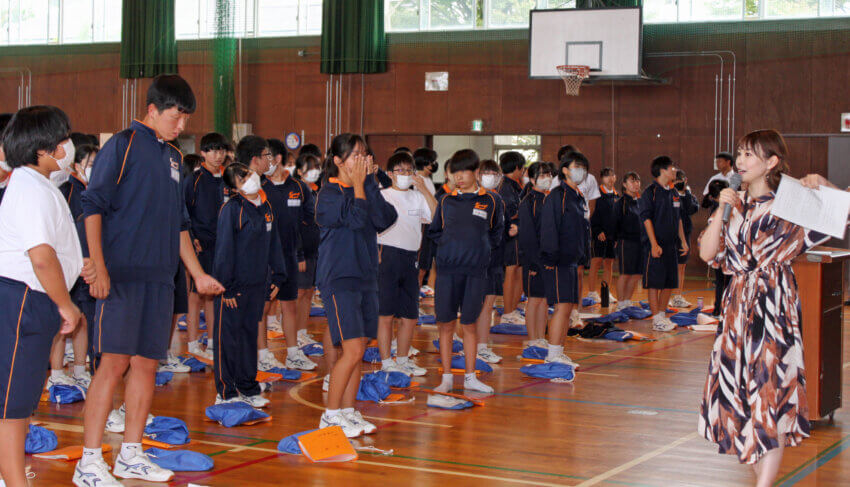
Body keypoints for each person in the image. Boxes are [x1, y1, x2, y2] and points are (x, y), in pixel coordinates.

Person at [75, 75, 223, 486]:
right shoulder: (120, 146)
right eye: (176, 117)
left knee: (145, 366)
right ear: (153, 110)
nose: (181, 126)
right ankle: (88, 461)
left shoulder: (174, 158)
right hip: (121, 277)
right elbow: (93, 205)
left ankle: (131, 454)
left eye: (186, 119)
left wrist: (197, 274)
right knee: (113, 364)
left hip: (161, 280)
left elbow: (179, 225)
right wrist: (98, 266)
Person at [698, 130, 834, 487]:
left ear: (771, 162)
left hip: (773, 305)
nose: (741, 161)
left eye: (749, 155)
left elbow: (839, 217)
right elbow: (707, 254)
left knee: (770, 391)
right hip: (737, 306)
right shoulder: (734, 203)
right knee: (740, 395)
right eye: (740, 154)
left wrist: (823, 184)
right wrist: (720, 212)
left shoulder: (790, 203)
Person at [0, 106, 84, 487]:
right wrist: (65, 303)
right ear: (44, 148)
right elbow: (41, 256)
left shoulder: (39, 186)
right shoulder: (28, 187)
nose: (68, 145)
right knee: (12, 404)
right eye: (63, 138)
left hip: (33, 300)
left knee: (20, 398)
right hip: (22, 300)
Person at [315, 134, 397, 438]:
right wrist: (362, 186)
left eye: (365, 155)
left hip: (365, 277)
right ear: (338, 161)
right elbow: (356, 219)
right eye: (354, 156)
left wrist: (370, 185)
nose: (361, 161)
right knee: (350, 350)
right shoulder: (328, 194)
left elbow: (386, 218)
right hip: (339, 279)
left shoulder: (367, 187)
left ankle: (348, 412)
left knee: (360, 349)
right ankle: (330, 415)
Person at [212, 162, 287, 408]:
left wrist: (278, 276)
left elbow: (274, 243)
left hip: (257, 285)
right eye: (241, 178)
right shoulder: (231, 210)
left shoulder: (265, 207)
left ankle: (248, 386)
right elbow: (224, 251)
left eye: (248, 174)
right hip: (233, 288)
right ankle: (226, 391)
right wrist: (226, 287)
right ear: (234, 187)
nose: (249, 179)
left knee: (248, 336)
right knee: (228, 339)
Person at [429, 149, 502, 394]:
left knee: (469, 325)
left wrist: (479, 251)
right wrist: (450, 248)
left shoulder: (491, 201)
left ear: (476, 173)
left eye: (464, 172)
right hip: (448, 273)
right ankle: (447, 377)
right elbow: (435, 231)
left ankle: (470, 377)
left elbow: (496, 233)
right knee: (446, 325)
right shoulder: (446, 201)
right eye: (454, 172)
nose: (458, 177)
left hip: (475, 273)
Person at [376, 151, 436, 377]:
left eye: (409, 170)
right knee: (386, 314)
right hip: (387, 256)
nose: (405, 174)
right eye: (400, 170)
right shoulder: (382, 195)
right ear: (390, 173)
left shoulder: (418, 196)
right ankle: (386, 361)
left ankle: (402, 359)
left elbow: (435, 215)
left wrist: (424, 190)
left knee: (410, 316)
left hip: (411, 258)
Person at [260, 138, 317, 371]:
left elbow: (309, 220)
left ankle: (293, 353)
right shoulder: (259, 187)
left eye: (267, 157)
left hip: (290, 255)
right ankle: (262, 354)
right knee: (263, 308)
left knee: (289, 305)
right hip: (265, 257)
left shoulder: (298, 187)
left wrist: (302, 253)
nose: (265, 162)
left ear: (278, 158)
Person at [539, 152, 588, 369]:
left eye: (583, 167)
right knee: (561, 306)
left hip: (572, 259)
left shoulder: (577, 196)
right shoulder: (557, 196)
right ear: (565, 169)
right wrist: (551, 257)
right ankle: (552, 354)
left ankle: (559, 351)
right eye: (577, 166)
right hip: (557, 261)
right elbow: (549, 228)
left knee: (568, 307)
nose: (581, 171)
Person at [184, 132, 229, 363]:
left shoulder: (226, 181)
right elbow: (184, 214)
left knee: (213, 294)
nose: (217, 155)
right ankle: (192, 343)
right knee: (195, 296)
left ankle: (212, 342)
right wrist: (192, 238)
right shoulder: (193, 181)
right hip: (199, 246)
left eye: (221, 150)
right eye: (212, 150)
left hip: (221, 247)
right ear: (203, 153)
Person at [638, 156, 688, 332]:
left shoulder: (673, 192)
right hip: (655, 245)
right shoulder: (650, 192)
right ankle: (656, 319)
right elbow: (646, 218)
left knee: (669, 282)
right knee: (654, 282)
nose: (674, 170)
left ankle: (661, 315)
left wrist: (683, 240)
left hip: (671, 246)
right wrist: (653, 243)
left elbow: (679, 218)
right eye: (672, 167)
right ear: (663, 170)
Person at [558, 145, 599, 326]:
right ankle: (564, 310)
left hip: (582, 234)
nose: (579, 171)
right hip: (564, 241)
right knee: (566, 277)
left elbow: (590, 205)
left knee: (579, 273)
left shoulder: (587, 182)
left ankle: (576, 309)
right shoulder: (556, 187)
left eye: (581, 166)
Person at [518, 161, 557, 348]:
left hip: (548, 259)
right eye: (542, 175)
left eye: (549, 175)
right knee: (534, 300)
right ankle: (532, 339)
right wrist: (534, 262)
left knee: (543, 300)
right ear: (532, 179)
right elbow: (527, 235)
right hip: (533, 260)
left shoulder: (549, 199)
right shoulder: (529, 202)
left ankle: (541, 338)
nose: (546, 179)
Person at [475, 159, 508, 364]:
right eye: (486, 172)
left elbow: (501, 229)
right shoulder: (471, 198)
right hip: (476, 260)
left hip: (495, 259)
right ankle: (474, 346)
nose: (490, 176)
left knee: (489, 304)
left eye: (494, 173)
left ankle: (482, 346)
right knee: (477, 305)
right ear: (478, 175)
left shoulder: (498, 200)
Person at [497, 151, 524, 327]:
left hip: (520, 235)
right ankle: (507, 312)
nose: (523, 171)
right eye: (522, 168)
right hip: (510, 236)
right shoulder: (506, 187)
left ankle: (513, 309)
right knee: (511, 272)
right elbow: (509, 214)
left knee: (519, 272)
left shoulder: (515, 185)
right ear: (516, 168)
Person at [587, 167, 618, 304]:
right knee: (596, 262)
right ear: (601, 179)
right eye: (606, 176)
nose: (610, 179)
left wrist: (616, 235)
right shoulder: (596, 194)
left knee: (609, 264)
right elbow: (592, 214)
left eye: (612, 175)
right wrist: (598, 230)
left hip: (612, 236)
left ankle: (606, 292)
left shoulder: (617, 196)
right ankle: (592, 292)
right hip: (598, 235)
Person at [670, 169, 699, 308]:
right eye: (675, 181)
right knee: (671, 266)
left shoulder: (689, 195)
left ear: (685, 180)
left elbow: (691, 209)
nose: (677, 183)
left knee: (682, 266)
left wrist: (686, 192)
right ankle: (669, 295)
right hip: (671, 234)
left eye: (680, 181)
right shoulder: (670, 195)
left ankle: (678, 296)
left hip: (685, 232)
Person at [614, 172, 643, 310]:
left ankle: (627, 301)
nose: (636, 183)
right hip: (626, 242)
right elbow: (614, 224)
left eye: (637, 181)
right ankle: (620, 302)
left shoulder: (641, 202)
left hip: (640, 242)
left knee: (637, 274)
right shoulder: (620, 203)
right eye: (632, 181)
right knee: (625, 273)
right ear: (625, 184)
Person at [703, 179, 730, 317]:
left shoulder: (729, 207)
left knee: (724, 282)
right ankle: (719, 309)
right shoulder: (718, 210)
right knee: (722, 282)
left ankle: (720, 309)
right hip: (721, 252)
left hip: (727, 251)